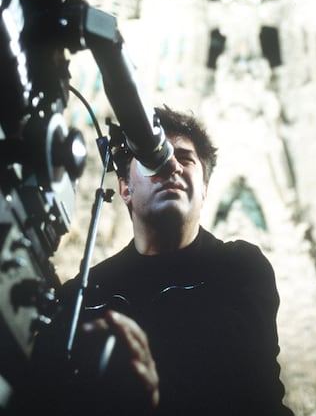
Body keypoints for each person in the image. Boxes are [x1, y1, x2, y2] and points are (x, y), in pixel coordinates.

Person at [11, 104, 294, 415]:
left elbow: (250, 394)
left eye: (185, 159)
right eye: (153, 158)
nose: (171, 167)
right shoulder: (83, 295)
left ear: (204, 190)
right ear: (125, 188)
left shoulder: (239, 268)